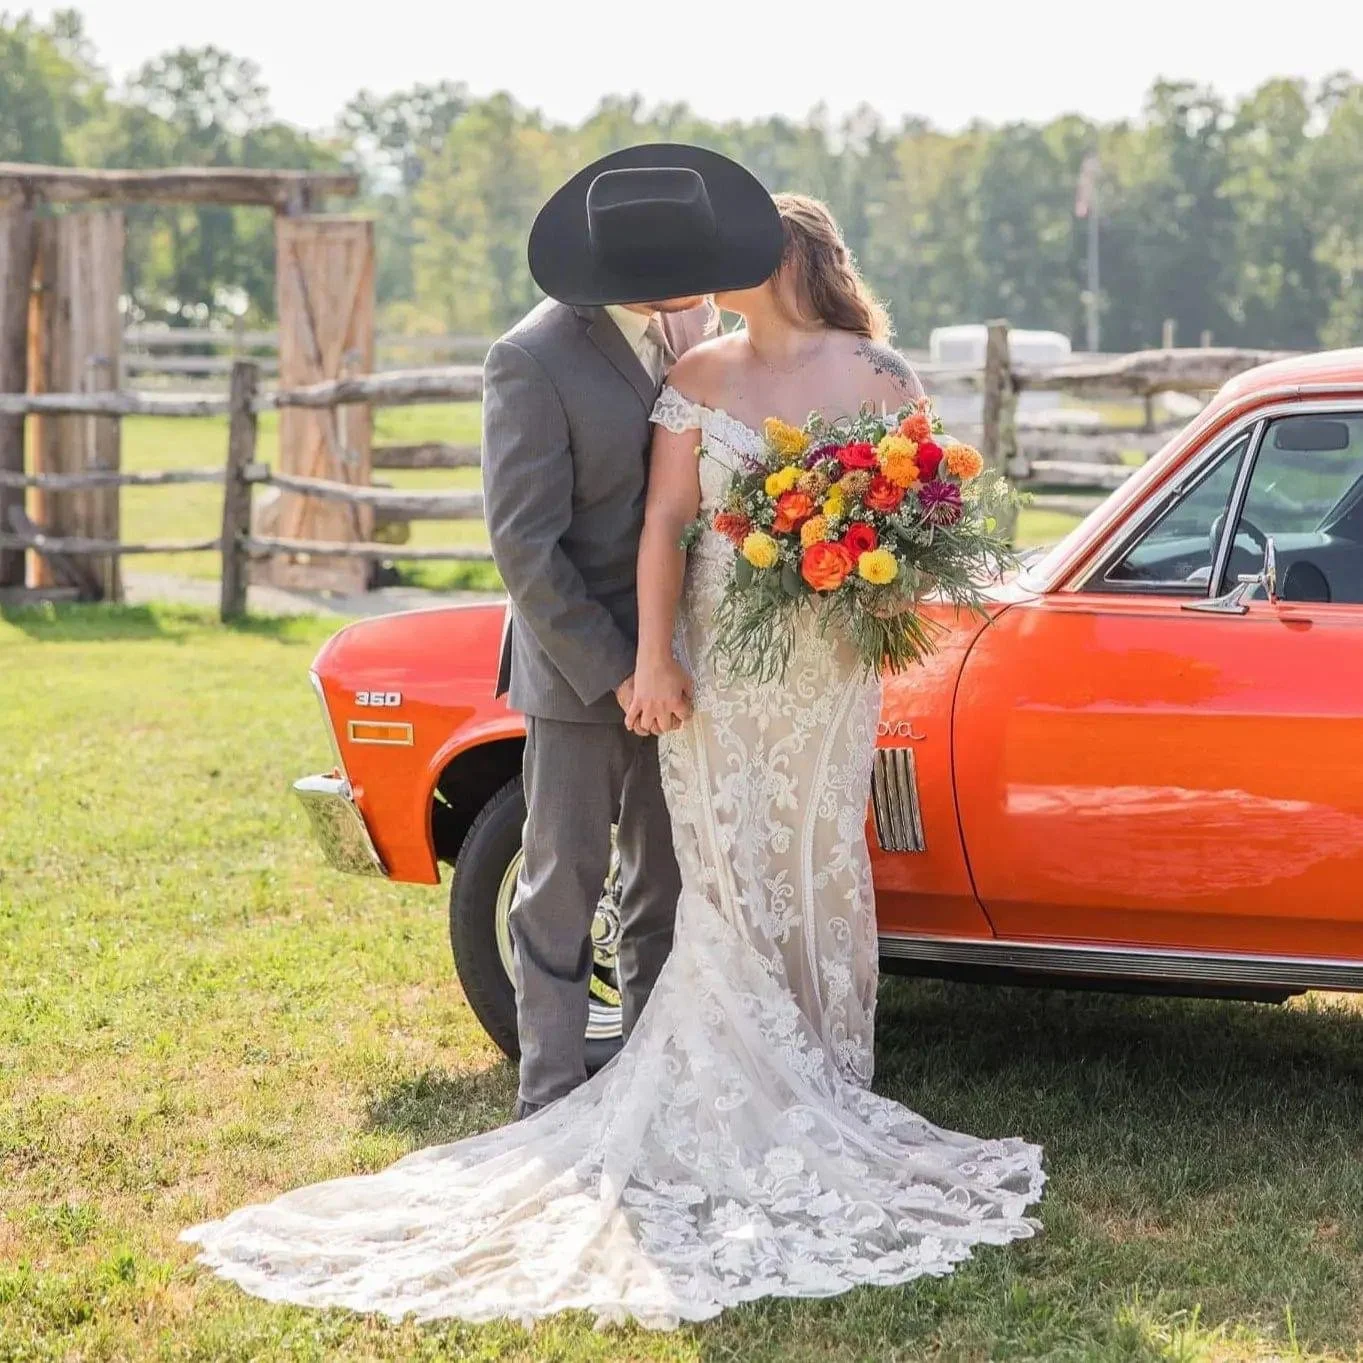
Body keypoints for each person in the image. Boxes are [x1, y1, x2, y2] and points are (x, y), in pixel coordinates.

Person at [181, 159, 1044, 1331]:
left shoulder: (697, 328)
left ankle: (666, 1065)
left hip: (743, 668)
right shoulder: (532, 355)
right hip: (594, 662)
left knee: (674, 885)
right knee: (562, 878)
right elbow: (529, 549)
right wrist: (627, 668)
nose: (684, 281)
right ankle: (550, 1099)